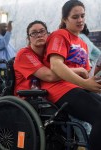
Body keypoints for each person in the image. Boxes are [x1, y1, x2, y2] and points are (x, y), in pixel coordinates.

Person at [41, 1, 101, 150]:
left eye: (82, 16)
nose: (80, 20)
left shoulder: (83, 43)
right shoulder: (59, 35)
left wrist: (93, 82)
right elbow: (56, 65)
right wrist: (85, 84)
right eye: (75, 17)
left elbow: (86, 74)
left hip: (77, 87)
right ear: (65, 19)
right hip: (59, 88)